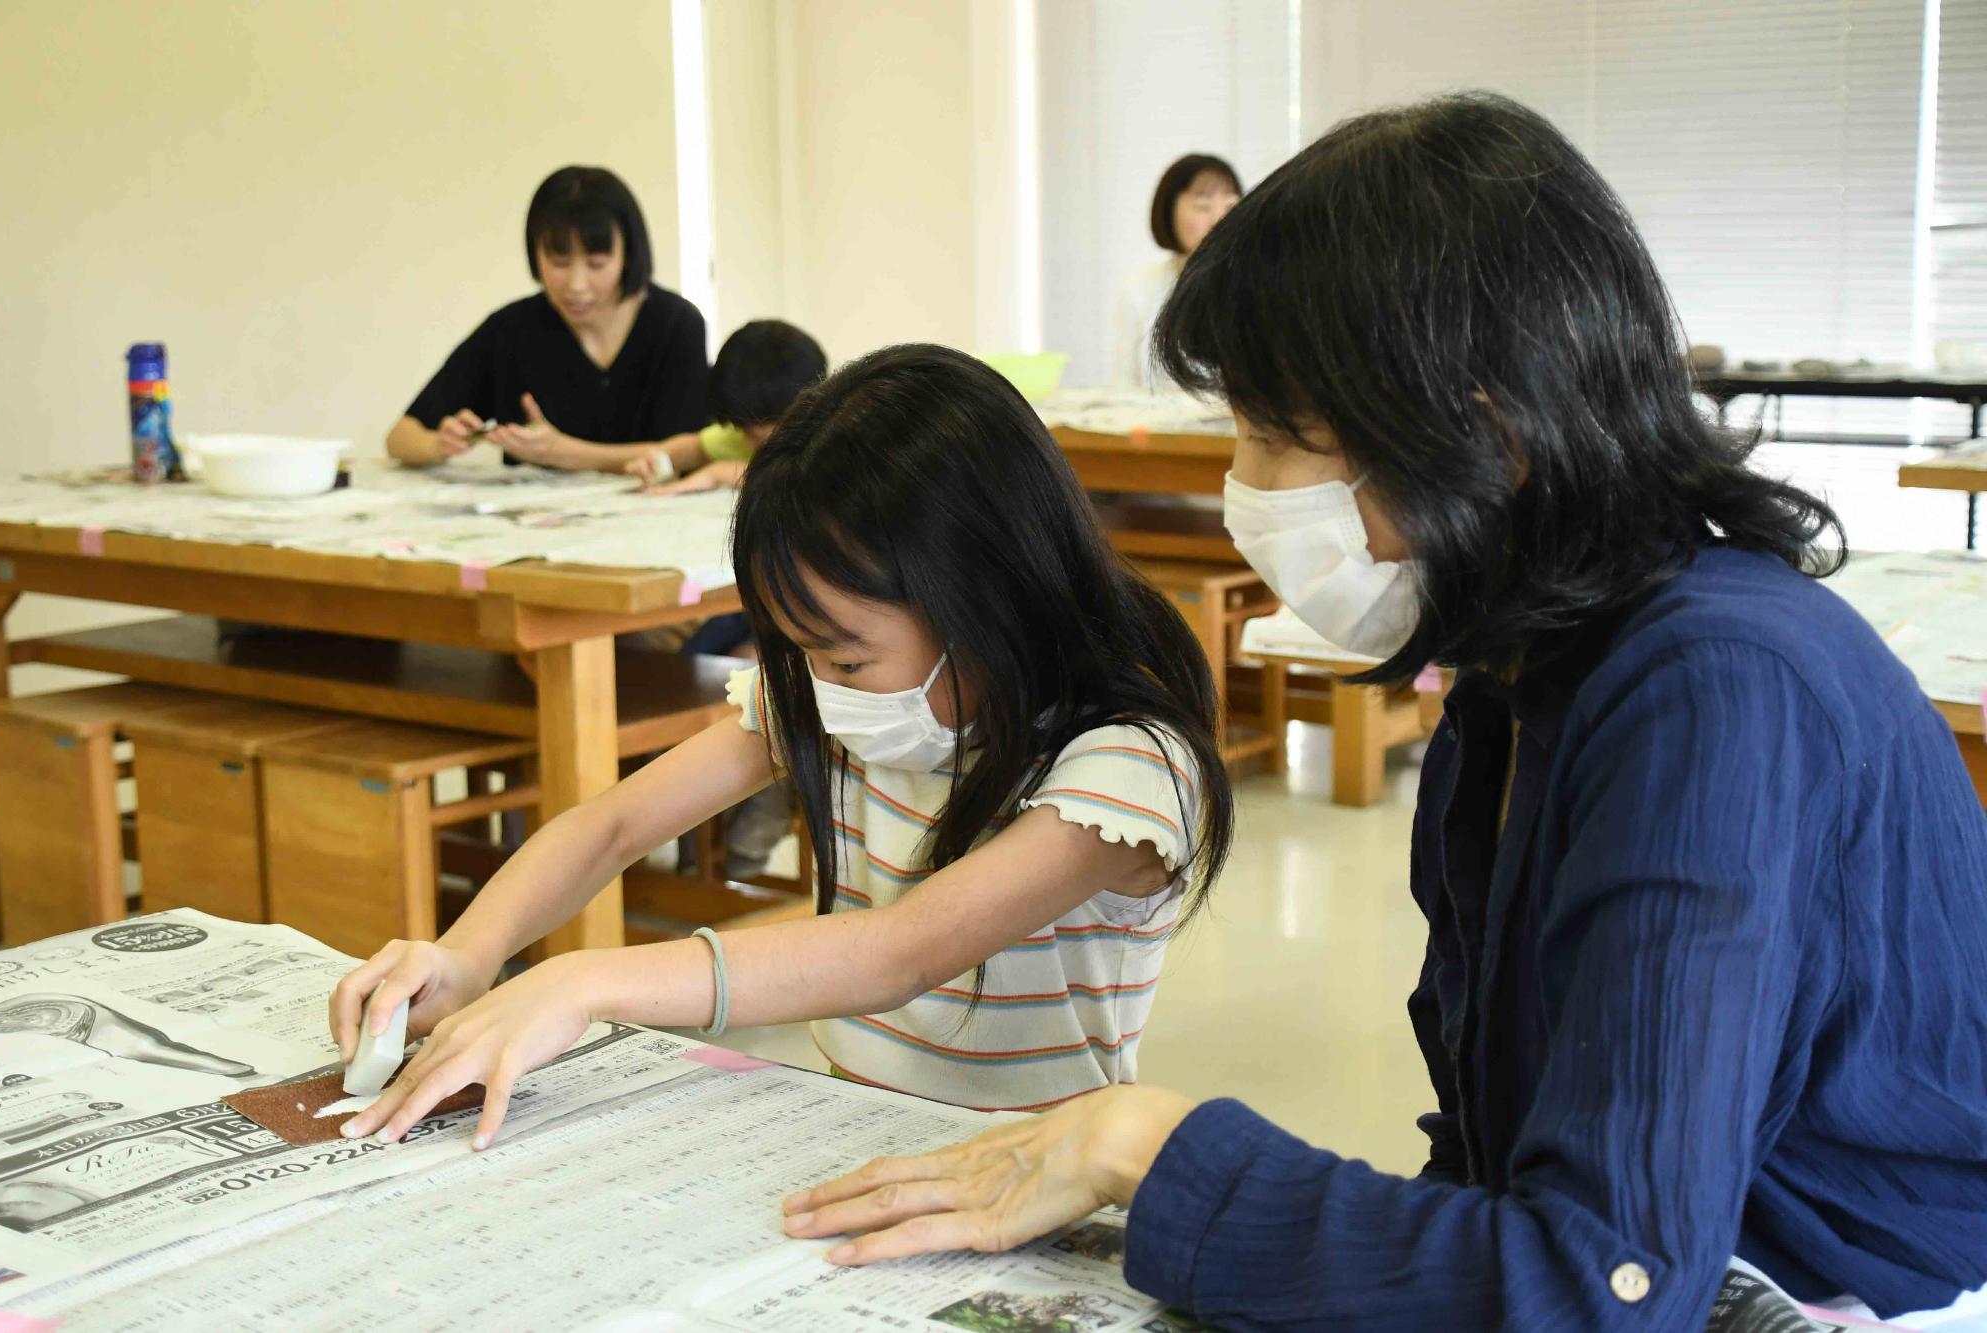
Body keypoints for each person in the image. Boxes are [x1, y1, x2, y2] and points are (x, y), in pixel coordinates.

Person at [781, 95, 1987, 1330]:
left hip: (1837, 1289)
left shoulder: (1714, 687)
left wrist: (1148, 1146)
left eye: (1271, 436)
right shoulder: (1516, 673)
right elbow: (1492, 1157)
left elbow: (1605, 1284)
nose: (1244, 489)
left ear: (1482, 433)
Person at [328, 346, 1235, 1140]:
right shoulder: (849, 695)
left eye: (843, 654)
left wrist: (581, 982)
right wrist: (468, 952)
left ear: (986, 598)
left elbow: (897, 953)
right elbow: (611, 825)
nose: (815, 684)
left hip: (1035, 1168)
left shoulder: (1124, 764)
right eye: (800, 652)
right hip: (846, 1122)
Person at [386, 165, 707, 471]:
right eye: (559, 261)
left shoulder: (676, 324)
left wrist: (563, 453)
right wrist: (438, 444)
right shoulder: (510, 330)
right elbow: (400, 437)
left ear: (627, 256)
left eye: (596, 264)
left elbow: (692, 450)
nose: (576, 285)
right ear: (534, 254)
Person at [626, 319, 827, 496]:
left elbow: (807, 479)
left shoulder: (834, 435)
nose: (747, 445)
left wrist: (719, 473)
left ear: (803, 409)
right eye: (742, 431)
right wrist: (657, 459)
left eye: (755, 435)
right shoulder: (745, 433)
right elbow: (695, 447)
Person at [1112, 153, 1241, 390]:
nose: (1219, 218)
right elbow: (1124, 387)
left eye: (1231, 205)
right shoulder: (1139, 289)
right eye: (1203, 206)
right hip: (1160, 426)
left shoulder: (1255, 285)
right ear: (1169, 211)